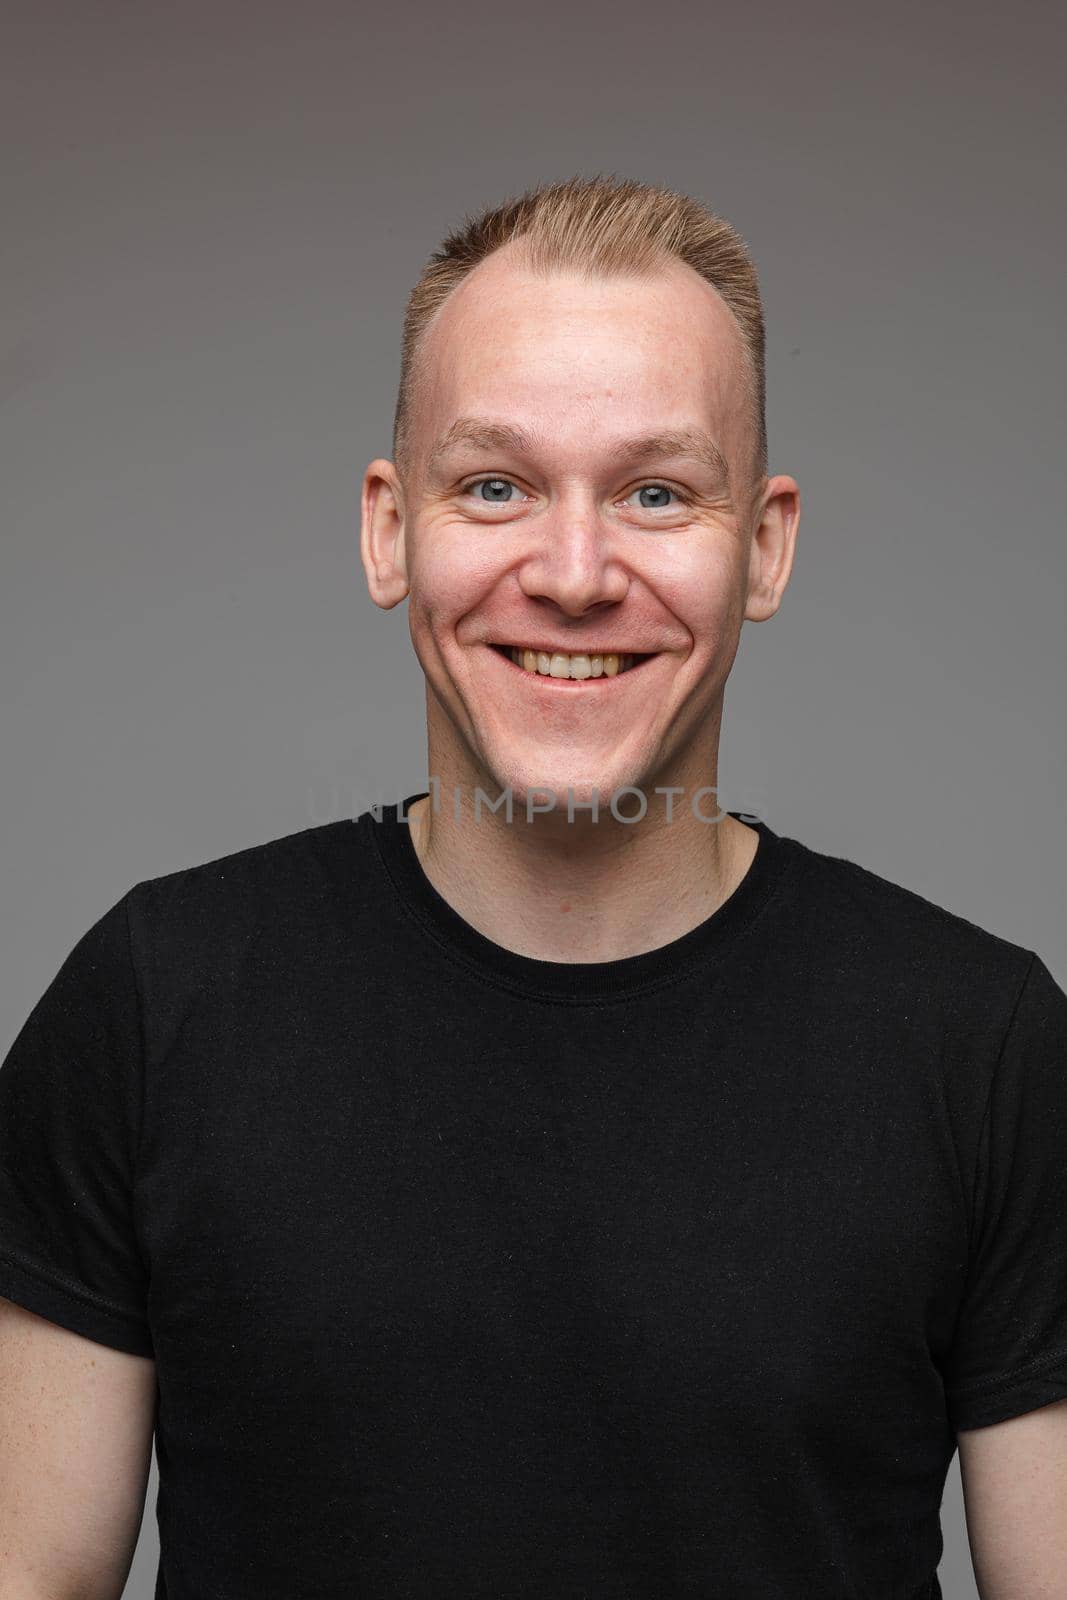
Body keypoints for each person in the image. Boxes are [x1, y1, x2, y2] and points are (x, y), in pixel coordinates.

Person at [1, 174, 1064, 1600]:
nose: (573, 574)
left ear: (763, 545)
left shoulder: (982, 1046)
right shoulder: (155, 1001)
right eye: (495, 485)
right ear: (392, 530)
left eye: (656, 492)